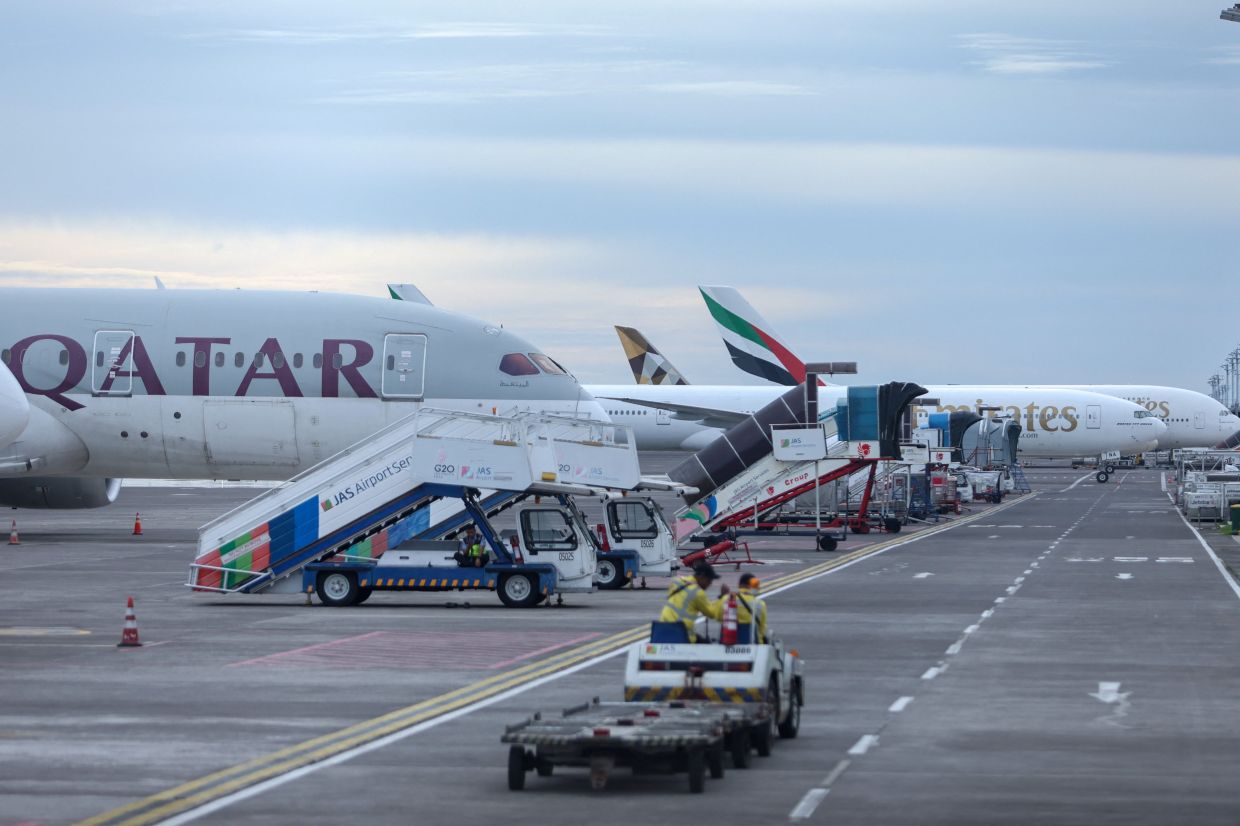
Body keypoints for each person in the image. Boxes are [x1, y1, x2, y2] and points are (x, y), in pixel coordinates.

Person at [659, 561, 729, 642]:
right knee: (705, 643)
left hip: (663, 628)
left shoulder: (677, 582)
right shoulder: (698, 593)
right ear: (702, 576)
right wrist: (722, 597)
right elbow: (712, 613)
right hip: (682, 635)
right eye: (709, 581)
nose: (709, 585)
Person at [734, 573, 768, 644]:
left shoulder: (728, 599)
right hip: (755, 645)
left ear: (739, 585)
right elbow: (763, 629)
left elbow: (714, 614)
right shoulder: (760, 604)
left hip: (730, 643)